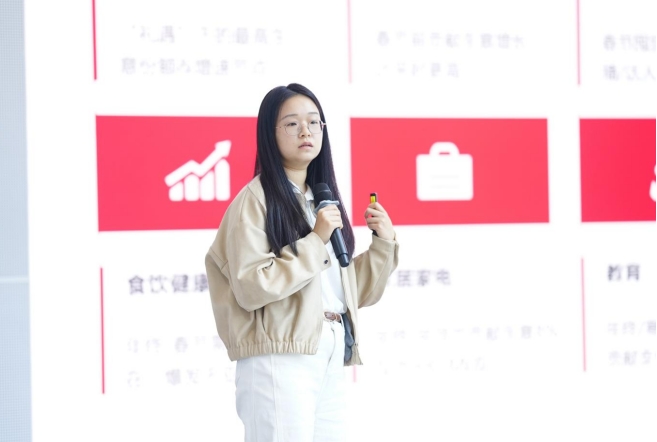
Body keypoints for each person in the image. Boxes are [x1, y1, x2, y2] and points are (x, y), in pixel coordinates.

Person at [205, 83, 399, 442]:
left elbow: (347, 292)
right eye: (292, 124)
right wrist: (315, 240)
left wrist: (383, 245)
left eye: (314, 122)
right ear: (270, 133)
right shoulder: (254, 201)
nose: (306, 131)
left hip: (330, 346)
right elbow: (252, 286)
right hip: (279, 354)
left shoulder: (320, 200)